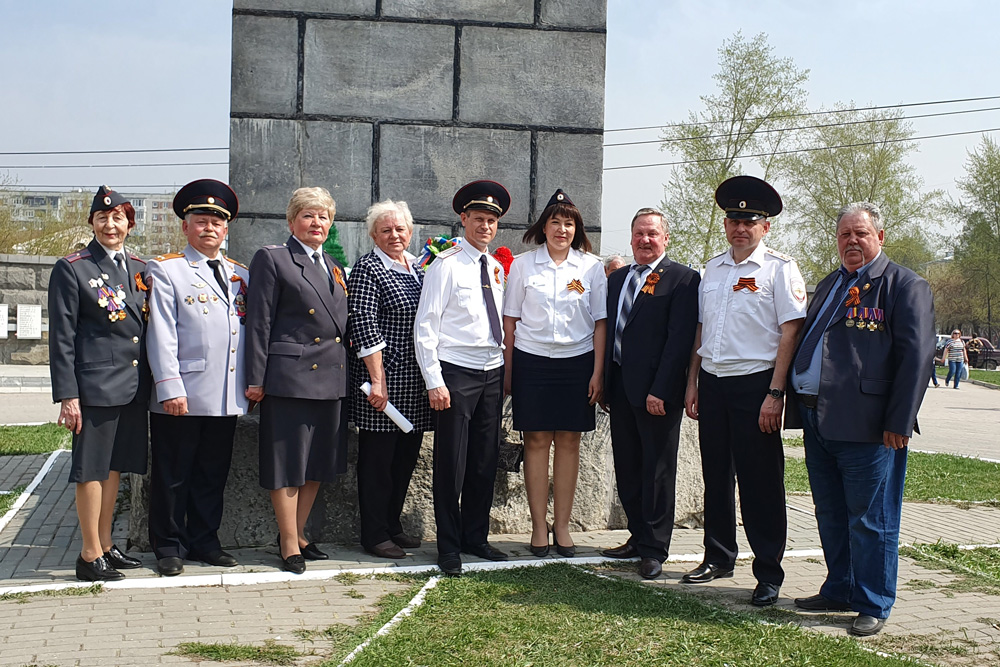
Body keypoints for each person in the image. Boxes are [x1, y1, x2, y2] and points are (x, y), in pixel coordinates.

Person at [787, 202, 935, 636]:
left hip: (870, 427)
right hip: (818, 420)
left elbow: (917, 358)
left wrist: (900, 421)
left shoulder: (904, 285)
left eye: (861, 234)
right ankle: (839, 587)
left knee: (871, 518)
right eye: (844, 235)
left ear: (880, 237)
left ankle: (873, 601)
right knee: (830, 511)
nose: (852, 241)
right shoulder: (831, 283)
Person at [682, 176, 806, 606]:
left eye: (750, 220)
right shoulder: (712, 270)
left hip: (756, 384)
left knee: (760, 483)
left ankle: (768, 572)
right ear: (725, 224)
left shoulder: (780, 268)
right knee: (716, 476)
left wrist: (776, 393)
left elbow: (790, 331)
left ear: (765, 226)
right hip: (713, 383)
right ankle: (718, 556)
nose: (741, 227)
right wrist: (693, 381)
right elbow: (702, 328)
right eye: (734, 219)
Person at [146, 179, 249, 577]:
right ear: (185, 226)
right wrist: (170, 387)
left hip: (224, 395)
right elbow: (162, 332)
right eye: (200, 220)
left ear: (226, 229)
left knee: (211, 472)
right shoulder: (168, 269)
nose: (209, 228)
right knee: (173, 474)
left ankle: (206, 540)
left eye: (217, 222)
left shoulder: (239, 272)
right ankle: (169, 545)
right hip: (183, 393)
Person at [244, 187, 349, 574]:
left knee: (317, 464)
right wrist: (256, 379)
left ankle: (300, 532)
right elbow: (259, 323)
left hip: (331, 380)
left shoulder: (332, 266)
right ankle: (288, 542)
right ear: (292, 222)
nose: (316, 223)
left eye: (323, 216)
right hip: (291, 378)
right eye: (308, 216)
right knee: (288, 464)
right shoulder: (274, 259)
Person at [48, 185, 150, 581]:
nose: (111, 224)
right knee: (91, 470)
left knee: (114, 469)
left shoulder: (140, 268)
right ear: (92, 222)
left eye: (119, 218)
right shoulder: (73, 267)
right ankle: (89, 554)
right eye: (103, 218)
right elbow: (61, 336)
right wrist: (67, 395)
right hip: (94, 388)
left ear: (130, 224)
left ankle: (106, 544)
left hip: (132, 386)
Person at [502, 189, 607, 558]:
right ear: (542, 226)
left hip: (576, 362)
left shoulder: (591, 268)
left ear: (576, 229)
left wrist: (598, 372)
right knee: (535, 441)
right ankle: (537, 528)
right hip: (532, 361)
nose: (562, 229)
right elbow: (511, 321)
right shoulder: (522, 265)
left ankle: (561, 526)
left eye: (569, 222)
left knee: (569, 442)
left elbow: (599, 324)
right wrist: (510, 372)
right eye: (555, 221)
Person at [414, 180, 510, 576]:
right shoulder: (446, 265)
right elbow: (426, 327)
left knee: (484, 460)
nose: (484, 227)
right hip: (456, 372)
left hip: (491, 371)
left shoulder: (496, 268)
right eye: (478, 219)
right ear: (463, 220)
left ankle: (476, 536)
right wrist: (434, 381)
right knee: (451, 463)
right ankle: (449, 546)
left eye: (491, 221)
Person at [600, 208, 700, 579]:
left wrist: (662, 390)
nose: (646, 240)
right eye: (640, 233)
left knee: (657, 470)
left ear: (665, 239)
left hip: (657, 394)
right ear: (630, 238)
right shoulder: (618, 278)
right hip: (621, 389)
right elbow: (611, 332)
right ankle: (637, 536)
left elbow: (679, 342)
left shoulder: (683, 280)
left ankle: (655, 548)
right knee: (628, 467)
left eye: (653, 234)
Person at [348, 199, 433, 560]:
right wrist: (377, 379)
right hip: (382, 381)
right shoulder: (369, 268)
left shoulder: (418, 267)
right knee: (378, 462)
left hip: (414, 380)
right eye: (386, 230)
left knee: (405, 457)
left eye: (400, 229)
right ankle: (374, 533)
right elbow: (363, 321)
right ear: (373, 235)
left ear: (411, 232)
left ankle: (392, 524)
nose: (394, 235)